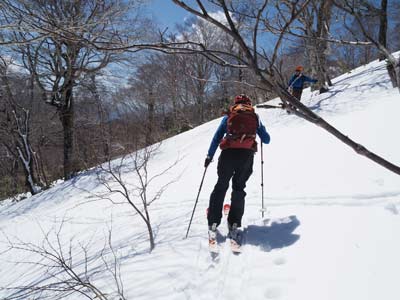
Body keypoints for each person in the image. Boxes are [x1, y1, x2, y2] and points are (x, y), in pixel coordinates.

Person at [204, 94, 270, 248]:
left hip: (228, 155)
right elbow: (266, 139)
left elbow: (217, 137)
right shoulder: (255, 117)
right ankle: (234, 223)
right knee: (239, 188)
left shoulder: (229, 116)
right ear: (249, 104)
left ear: (235, 104)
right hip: (246, 157)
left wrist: (209, 156)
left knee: (221, 186)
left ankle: (213, 222)